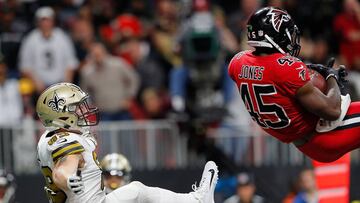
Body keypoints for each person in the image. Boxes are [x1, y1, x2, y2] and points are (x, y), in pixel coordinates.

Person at [36, 82, 218, 203]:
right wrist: (69, 179)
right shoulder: (66, 140)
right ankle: (196, 200)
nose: (83, 111)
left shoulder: (50, 139)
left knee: (136, 190)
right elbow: (63, 169)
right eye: (76, 108)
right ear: (60, 114)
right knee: (136, 191)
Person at [227, 6, 358, 163]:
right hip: (325, 134)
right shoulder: (285, 68)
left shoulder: (237, 63)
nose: (291, 39)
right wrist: (332, 77)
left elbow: (270, 78)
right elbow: (333, 110)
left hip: (305, 144)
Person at [19, 7, 78, 93]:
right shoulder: (30, 39)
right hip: (38, 87)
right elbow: (25, 66)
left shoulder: (62, 37)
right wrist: (37, 83)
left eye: (48, 20)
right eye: (43, 20)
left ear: (53, 21)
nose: (45, 23)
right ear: (38, 22)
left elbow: (71, 63)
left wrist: (66, 85)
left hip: (60, 85)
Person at [80, 43, 139, 121]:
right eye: (95, 55)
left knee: (126, 132)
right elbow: (83, 92)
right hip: (103, 112)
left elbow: (134, 78)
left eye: (99, 54)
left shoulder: (118, 64)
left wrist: (129, 97)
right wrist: (90, 105)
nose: (98, 57)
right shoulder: (87, 72)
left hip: (122, 110)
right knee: (105, 133)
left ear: (105, 53)